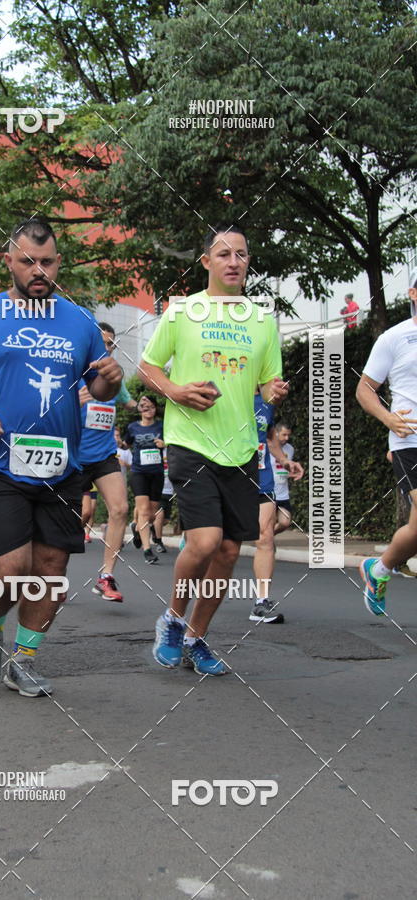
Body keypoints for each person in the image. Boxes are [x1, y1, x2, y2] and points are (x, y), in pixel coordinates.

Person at [0, 217, 122, 696]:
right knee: (10, 568)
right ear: (9, 263)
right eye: (28, 261)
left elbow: (97, 386)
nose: (38, 270)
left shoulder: (80, 321)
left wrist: (111, 379)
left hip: (62, 466)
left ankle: (24, 658)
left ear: (58, 263)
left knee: (51, 571)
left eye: (47, 262)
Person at [139, 222, 288, 675]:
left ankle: (196, 639)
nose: (233, 262)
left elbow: (266, 383)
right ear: (206, 262)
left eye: (241, 254)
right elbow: (147, 369)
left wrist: (274, 391)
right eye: (223, 254)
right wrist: (176, 391)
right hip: (191, 442)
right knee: (203, 541)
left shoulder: (262, 321)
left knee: (227, 552)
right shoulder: (183, 312)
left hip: (242, 449)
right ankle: (173, 618)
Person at [357, 269, 417, 614]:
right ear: (412, 293)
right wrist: (388, 419)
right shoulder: (395, 338)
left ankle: (378, 570)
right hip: (410, 442)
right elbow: (364, 390)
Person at [79, 322, 136, 602]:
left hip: (104, 455)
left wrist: (167, 401)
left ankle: (105, 576)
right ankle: (50, 574)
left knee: (120, 508)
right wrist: (71, 400)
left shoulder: (115, 380)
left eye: (110, 343)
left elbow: (131, 403)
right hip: (73, 458)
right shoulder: (74, 373)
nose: (106, 347)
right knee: (75, 517)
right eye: (101, 342)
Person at [251, 391, 303, 624]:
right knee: (219, 544)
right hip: (230, 476)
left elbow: (269, 437)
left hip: (262, 477)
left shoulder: (267, 404)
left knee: (266, 537)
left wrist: (285, 460)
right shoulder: (226, 390)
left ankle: (261, 602)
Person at [124, 396, 165, 564]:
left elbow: (172, 441)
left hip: (156, 473)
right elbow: (126, 444)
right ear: (140, 410)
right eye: (143, 406)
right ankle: (147, 550)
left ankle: (136, 529)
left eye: (151, 406)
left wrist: (165, 443)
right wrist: (119, 443)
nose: (147, 408)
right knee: (143, 511)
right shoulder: (132, 427)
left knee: (152, 516)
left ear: (155, 409)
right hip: (138, 472)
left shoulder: (162, 426)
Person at [270, 422, 299, 534]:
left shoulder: (290, 449)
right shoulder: (267, 447)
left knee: (285, 522)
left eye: (288, 435)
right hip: (269, 492)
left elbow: (285, 469)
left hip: (283, 493)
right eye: (284, 435)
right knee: (269, 523)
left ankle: (266, 538)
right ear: (276, 434)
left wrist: (291, 474)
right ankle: (266, 542)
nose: (287, 438)